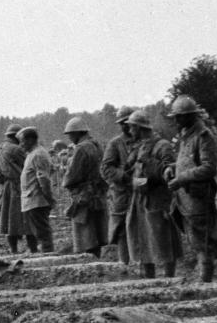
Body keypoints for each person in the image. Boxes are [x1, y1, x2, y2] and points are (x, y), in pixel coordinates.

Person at [168, 95, 217, 282]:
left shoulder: (203, 136)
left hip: (198, 197)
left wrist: (181, 178)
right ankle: (203, 277)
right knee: (195, 240)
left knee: (203, 241)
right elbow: (186, 161)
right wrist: (172, 169)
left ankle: (205, 279)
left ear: (190, 116)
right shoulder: (186, 136)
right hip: (186, 198)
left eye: (179, 116)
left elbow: (209, 167)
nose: (175, 120)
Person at [124, 110, 182, 278]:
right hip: (140, 200)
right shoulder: (139, 146)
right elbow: (129, 169)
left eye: (132, 127)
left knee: (164, 240)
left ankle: (169, 279)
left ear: (139, 127)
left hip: (158, 199)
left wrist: (149, 176)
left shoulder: (162, 145)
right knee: (143, 240)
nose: (130, 131)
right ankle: (149, 280)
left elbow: (170, 171)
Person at [62, 117, 109, 256]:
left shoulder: (81, 148)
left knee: (86, 233)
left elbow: (72, 174)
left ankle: (90, 259)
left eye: (70, 134)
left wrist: (67, 183)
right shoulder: (97, 145)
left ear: (77, 132)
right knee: (98, 230)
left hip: (84, 195)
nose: (69, 138)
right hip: (98, 193)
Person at [100, 107, 134, 265]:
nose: (126, 126)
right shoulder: (115, 144)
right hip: (121, 193)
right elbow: (105, 168)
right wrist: (123, 176)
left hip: (141, 192)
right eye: (123, 123)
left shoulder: (143, 141)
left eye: (129, 122)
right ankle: (124, 263)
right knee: (121, 229)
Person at [18, 127, 55, 253]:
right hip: (31, 200)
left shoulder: (39, 154)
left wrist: (48, 198)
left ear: (30, 140)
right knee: (37, 231)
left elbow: (43, 179)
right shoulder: (32, 154)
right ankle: (45, 253)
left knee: (42, 232)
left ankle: (48, 255)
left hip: (37, 200)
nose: (21, 144)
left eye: (22, 141)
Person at [0, 123, 26, 252]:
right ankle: (26, 248)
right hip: (16, 186)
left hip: (4, 186)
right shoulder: (15, 149)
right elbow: (26, 165)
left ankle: (13, 248)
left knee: (7, 218)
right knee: (18, 218)